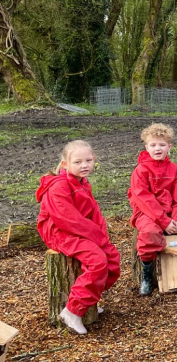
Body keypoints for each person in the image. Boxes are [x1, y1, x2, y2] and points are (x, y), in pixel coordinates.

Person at [36, 141, 120, 335]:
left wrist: (102, 237)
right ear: (65, 164)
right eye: (78, 162)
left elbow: (94, 213)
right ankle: (72, 310)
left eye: (89, 160)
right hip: (59, 232)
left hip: (80, 230)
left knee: (112, 257)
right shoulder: (58, 186)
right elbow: (67, 219)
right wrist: (96, 238)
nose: (84, 165)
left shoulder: (82, 183)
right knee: (97, 261)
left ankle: (89, 300)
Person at [129, 124, 177, 296]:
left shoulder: (173, 169)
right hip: (148, 213)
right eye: (153, 145)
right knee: (149, 234)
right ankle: (147, 276)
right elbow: (144, 200)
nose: (157, 149)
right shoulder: (141, 170)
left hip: (172, 212)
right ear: (146, 147)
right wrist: (165, 222)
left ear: (169, 147)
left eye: (162, 145)